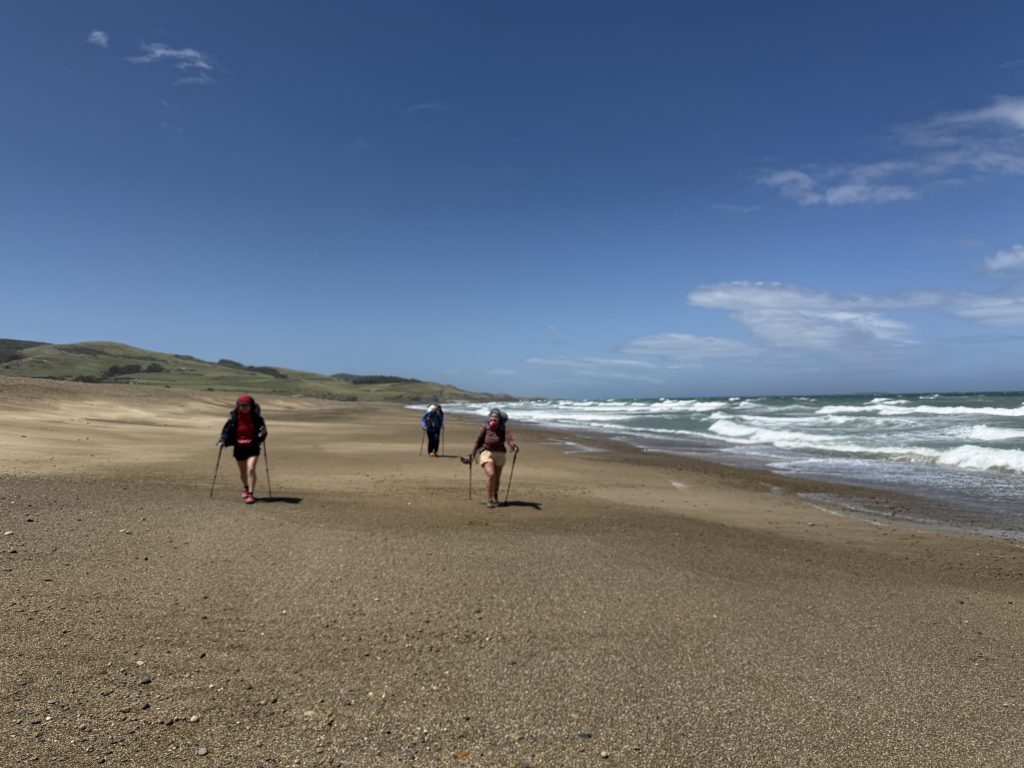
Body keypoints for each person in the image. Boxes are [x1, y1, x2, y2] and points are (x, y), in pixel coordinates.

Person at [461, 407, 518, 508]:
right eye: (492, 416)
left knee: (497, 478)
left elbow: (509, 438)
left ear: (499, 419)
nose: (493, 418)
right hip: (486, 453)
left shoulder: (503, 428)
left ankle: (495, 495)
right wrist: (472, 455)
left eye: (495, 417)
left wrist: (513, 446)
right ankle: (489, 499)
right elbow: (478, 442)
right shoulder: (485, 427)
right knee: (491, 475)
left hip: (500, 454)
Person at [218, 394, 268, 504]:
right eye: (241, 405)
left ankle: (251, 494)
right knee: (243, 472)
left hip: (253, 446)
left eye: (246, 405)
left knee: (250, 469)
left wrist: (260, 438)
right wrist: (222, 441)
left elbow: (263, 431)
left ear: (251, 406)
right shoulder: (234, 418)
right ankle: (246, 488)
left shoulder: (257, 418)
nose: (244, 407)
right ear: (238, 406)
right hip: (239, 447)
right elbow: (227, 431)